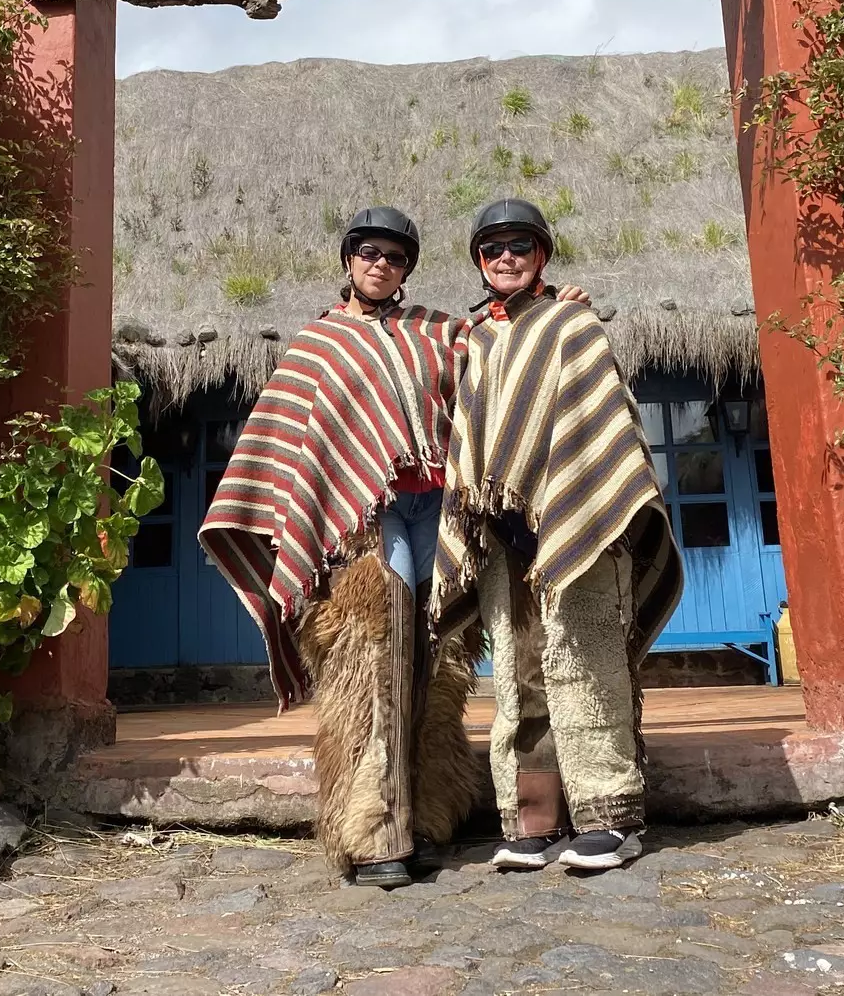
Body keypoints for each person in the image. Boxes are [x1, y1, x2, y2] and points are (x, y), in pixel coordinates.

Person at [199, 206, 484, 889]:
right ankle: (375, 826)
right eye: (369, 252)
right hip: (365, 514)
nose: (380, 264)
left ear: (408, 267)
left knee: (439, 651)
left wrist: (553, 302)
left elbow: (507, 350)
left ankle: (431, 813)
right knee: (374, 652)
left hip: (440, 506)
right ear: (348, 260)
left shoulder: (440, 332)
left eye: (394, 255)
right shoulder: (319, 345)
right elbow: (292, 443)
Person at [430, 198, 683, 873]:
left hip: (578, 524)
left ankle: (610, 817)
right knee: (518, 679)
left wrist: (577, 505)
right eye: (492, 248)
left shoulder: (574, 324)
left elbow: (599, 422)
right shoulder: (476, 340)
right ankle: (534, 822)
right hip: (503, 535)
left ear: (541, 254)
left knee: (586, 662)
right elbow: (471, 437)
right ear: (480, 262)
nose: (504, 257)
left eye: (519, 244)